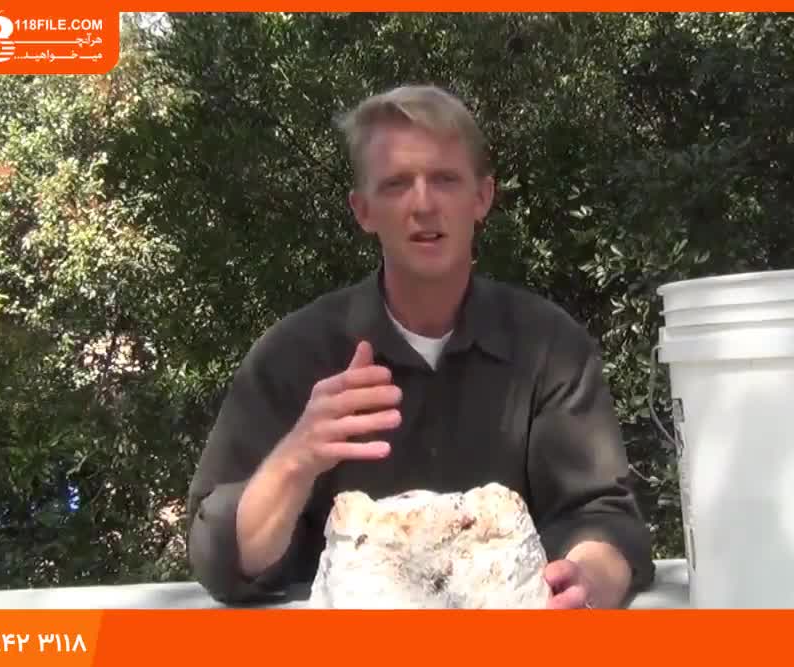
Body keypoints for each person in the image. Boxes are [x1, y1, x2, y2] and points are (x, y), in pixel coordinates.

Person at [186, 84, 655, 609]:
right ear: (363, 210)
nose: (424, 204)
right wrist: (297, 458)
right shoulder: (296, 355)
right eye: (396, 184)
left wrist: (586, 580)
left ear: (482, 197)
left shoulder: (549, 347)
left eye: (445, 179)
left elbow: (606, 519)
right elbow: (220, 558)